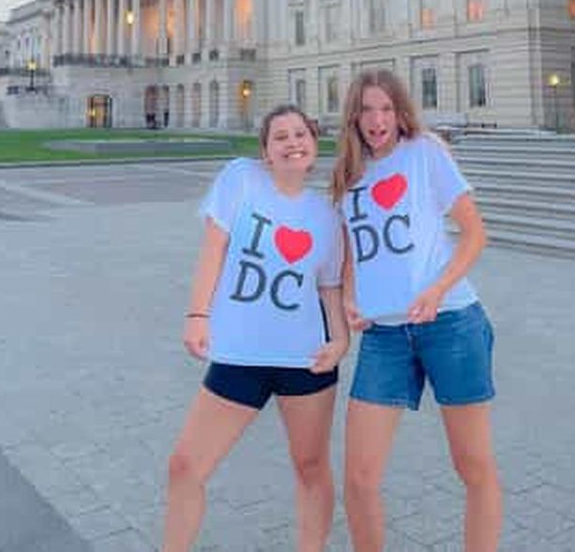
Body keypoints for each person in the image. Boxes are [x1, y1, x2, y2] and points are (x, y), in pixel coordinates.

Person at [162, 104, 349, 552]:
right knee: (186, 466)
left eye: (300, 134)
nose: (292, 143)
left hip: (305, 358)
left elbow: (329, 288)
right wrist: (197, 314)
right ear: (265, 151)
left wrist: (341, 338)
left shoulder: (326, 215)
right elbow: (213, 247)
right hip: (239, 355)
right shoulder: (241, 179)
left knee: (310, 466)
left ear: (314, 143)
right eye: (280, 136)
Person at [331, 70, 502, 552]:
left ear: (400, 111)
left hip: (449, 321)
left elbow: (475, 233)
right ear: (354, 116)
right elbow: (351, 251)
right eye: (367, 109)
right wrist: (347, 297)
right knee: (360, 478)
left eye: (386, 108)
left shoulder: (425, 152)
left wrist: (437, 288)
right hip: (384, 336)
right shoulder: (349, 173)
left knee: (473, 465)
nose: (377, 119)